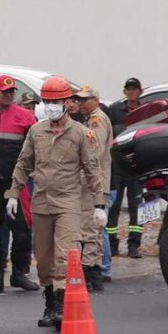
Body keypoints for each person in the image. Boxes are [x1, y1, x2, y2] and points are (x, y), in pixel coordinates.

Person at [6, 76, 103, 330]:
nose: (51, 105)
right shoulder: (37, 131)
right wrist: (13, 193)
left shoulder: (82, 133)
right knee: (45, 258)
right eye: (47, 101)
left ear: (67, 102)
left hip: (68, 203)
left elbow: (93, 170)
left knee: (66, 255)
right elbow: (23, 163)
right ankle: (50, 301)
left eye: (55, 101)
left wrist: (99, 204)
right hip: (41, 202)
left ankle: (62, 303)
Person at [0, 75, 39, 293]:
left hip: (17, 183)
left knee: (22, 231)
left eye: (11, 91)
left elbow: (37, 146)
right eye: (5, 92)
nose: (9, 95)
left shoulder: (26, 116)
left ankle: (19, 274)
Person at [72, 86, 113, 292]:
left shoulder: (97, 120)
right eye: (78, 100)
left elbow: (93, 150)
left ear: (95, 100)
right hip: (89, 182)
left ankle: (92, 272)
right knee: (87, 228)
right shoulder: (87, 120)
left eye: (84, 100)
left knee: (90, 229)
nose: (80, 103)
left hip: (93, 183)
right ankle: (90, 270)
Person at [106, 77, 145, 258]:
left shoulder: (146, 110)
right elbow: (108, 131)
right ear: (124, 92)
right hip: (118, 165)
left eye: (134, 89)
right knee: (113, 206)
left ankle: (134, 245)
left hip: (137, 165)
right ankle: (112, 244)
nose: (131, 92)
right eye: (128, 89)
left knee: (136, 208)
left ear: (140, 92)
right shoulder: (114, 109)